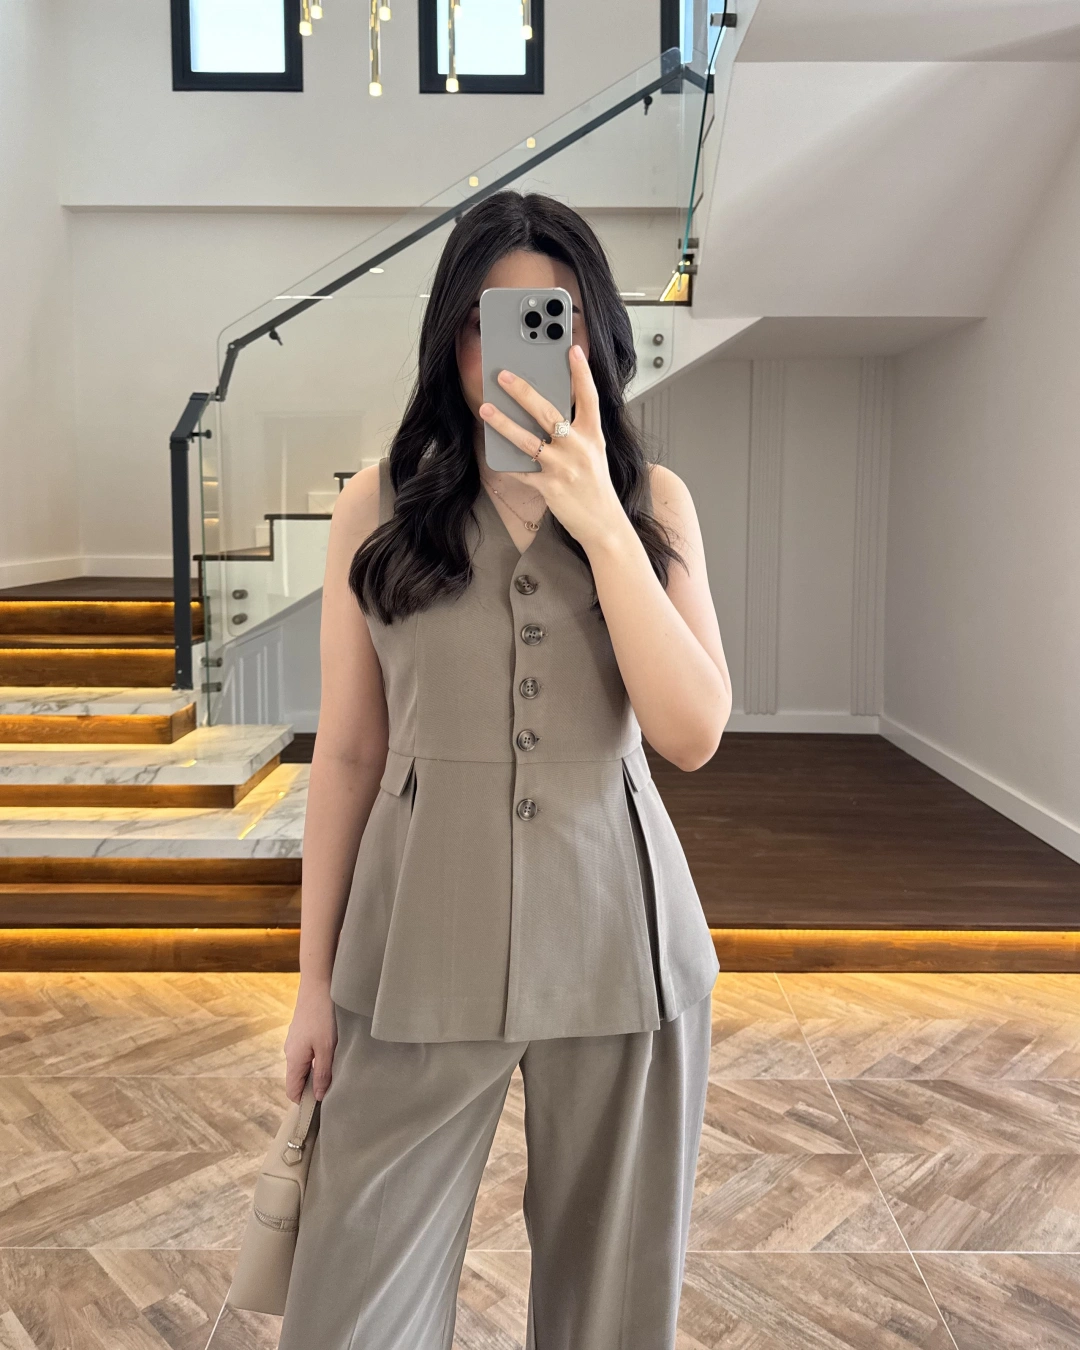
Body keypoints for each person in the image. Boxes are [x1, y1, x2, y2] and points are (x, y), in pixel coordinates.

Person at [276, 189, 732, 1350]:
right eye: (492, 320)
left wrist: (603, 521)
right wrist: (313, 982)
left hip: (623, 950)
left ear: (593, 336)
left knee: (611, 1312)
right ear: (453, 337)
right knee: (351, 1308)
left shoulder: (654, 504)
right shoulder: (377, 508)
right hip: (415, 944)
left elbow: (691, 732)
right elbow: (350, 752)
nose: (517, 348)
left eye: (552, 316)